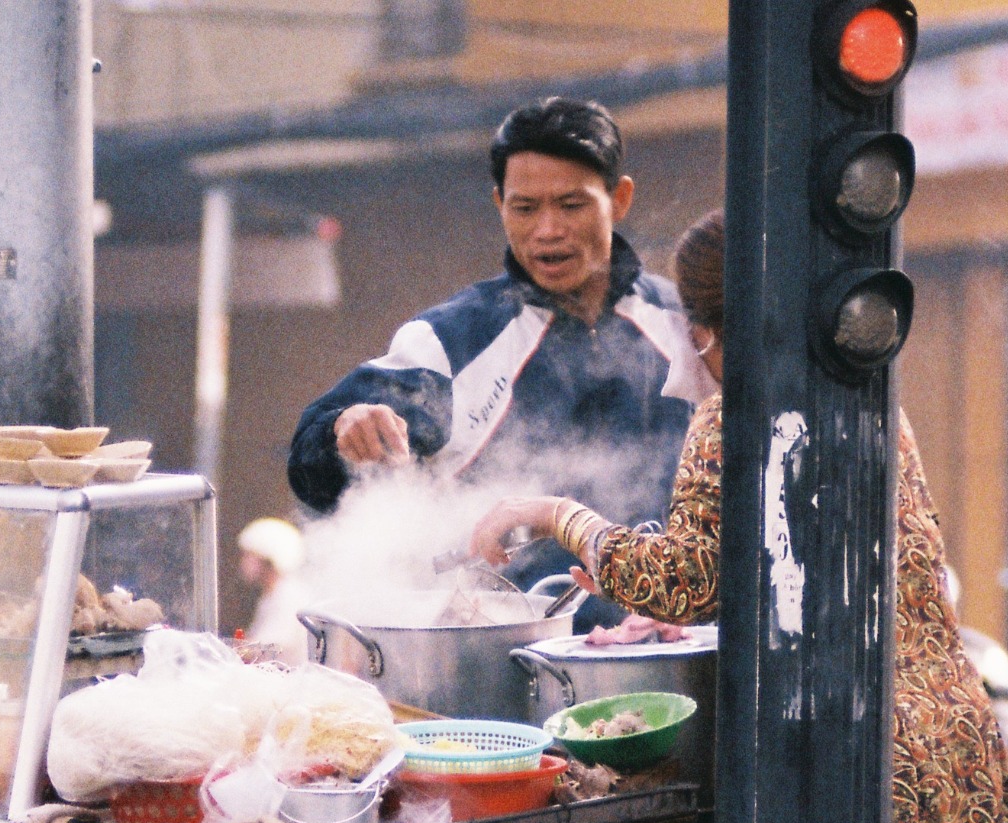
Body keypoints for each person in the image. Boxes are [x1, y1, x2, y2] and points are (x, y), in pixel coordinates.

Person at [465, 211, 1008, 823]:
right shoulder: (875, 400)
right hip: (957, 761)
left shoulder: (736, 414)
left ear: (702, 329)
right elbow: (797, 566)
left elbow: (684, 580)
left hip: (858, 778)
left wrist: (556, 515)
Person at [286, 96, 705, 596]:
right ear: (499, 205)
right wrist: (343, 427)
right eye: (524, 208)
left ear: (619, 199)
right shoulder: (451, 341)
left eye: (572, 205)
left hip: (679, 639)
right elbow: (312, 467)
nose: (547, 231)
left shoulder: (689, 324)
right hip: (508, 648)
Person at [235, 517, 313, 658]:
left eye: (250, 556)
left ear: (270, 560)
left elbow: (268, 648)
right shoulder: (271, 595)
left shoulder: (288, 596)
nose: (244, 562)